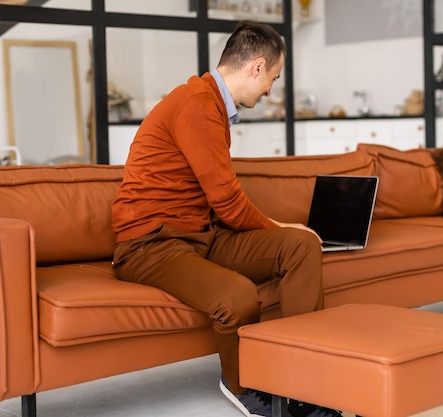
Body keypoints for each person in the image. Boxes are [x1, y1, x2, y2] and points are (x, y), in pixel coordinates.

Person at [111, 20, 342, 417]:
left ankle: (304, 386)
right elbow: (230, 203)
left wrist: (288, 232)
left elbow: (221, 206)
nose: (271, 90)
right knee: (237, 296)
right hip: (150, 245)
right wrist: (281, 224)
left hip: (201, 236)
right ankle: (243, 387)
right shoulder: (196, 104)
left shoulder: (212, 106)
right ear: (255, 67)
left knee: (302, 246)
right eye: (273, 77)